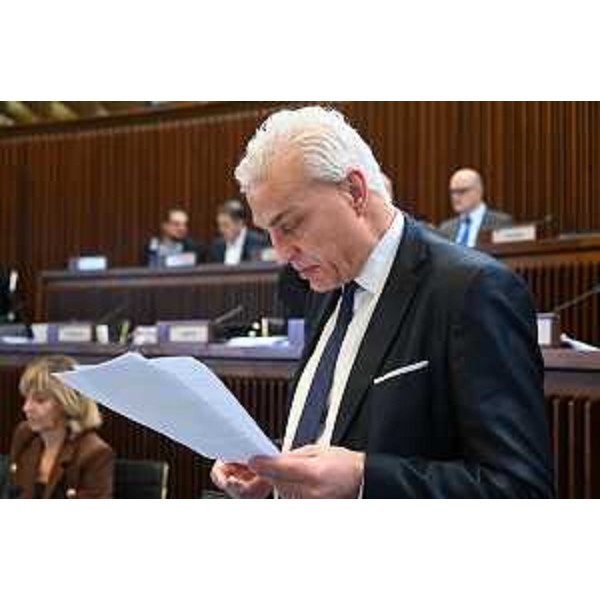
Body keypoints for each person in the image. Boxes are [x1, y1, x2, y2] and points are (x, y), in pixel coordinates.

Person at [211, 106, 553, 499]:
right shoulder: (327, 283)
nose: (281, 253)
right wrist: (276, 466)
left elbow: (520, 489)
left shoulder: (473, 290)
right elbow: (344, 422)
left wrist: (365, 479)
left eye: (289, 225)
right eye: (269, 231)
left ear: (355, 192)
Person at [3, 355, 114, 499]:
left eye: (40, 400)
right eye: (26, 398)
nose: (26, 408)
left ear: (67, 404)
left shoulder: (95, 453)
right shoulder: (24, 434)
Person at [438, 168, 513, 247]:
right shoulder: (446, 228)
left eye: (462, 191)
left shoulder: (500, 223)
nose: (455, 197)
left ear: (479, 191)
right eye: (453, 192)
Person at [210, 199, 269, 264]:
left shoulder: (258, 243)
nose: (221, 230)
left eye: (226, 225)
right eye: (220, 225)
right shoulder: (217, 246)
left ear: (239, 223)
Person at [143, 207, 208, 266]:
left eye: (184, 224)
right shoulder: (150, 247)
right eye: (176, 224)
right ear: (165, 226)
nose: (182, 228)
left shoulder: (195, 249)